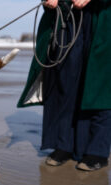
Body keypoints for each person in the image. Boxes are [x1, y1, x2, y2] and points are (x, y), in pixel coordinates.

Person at [17, 0, 111, 171]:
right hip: (66, 15)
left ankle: (97, 150)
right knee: (63, 82)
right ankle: (63, 144)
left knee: (98, 84)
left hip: (103, 15)